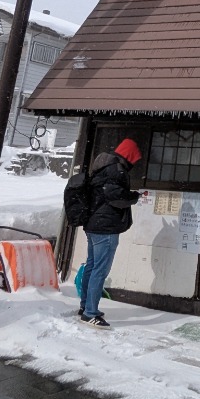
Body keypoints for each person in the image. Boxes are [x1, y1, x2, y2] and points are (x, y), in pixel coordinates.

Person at [78, 138, 142, 328]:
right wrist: (134, 196)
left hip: (93, 225)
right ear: (129, 157)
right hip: (105, 228)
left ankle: (85, 307)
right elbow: (116, 197)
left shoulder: (102, 167)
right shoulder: (117, 170)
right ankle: (90, 313)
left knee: (91, 267)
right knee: (100, 270)